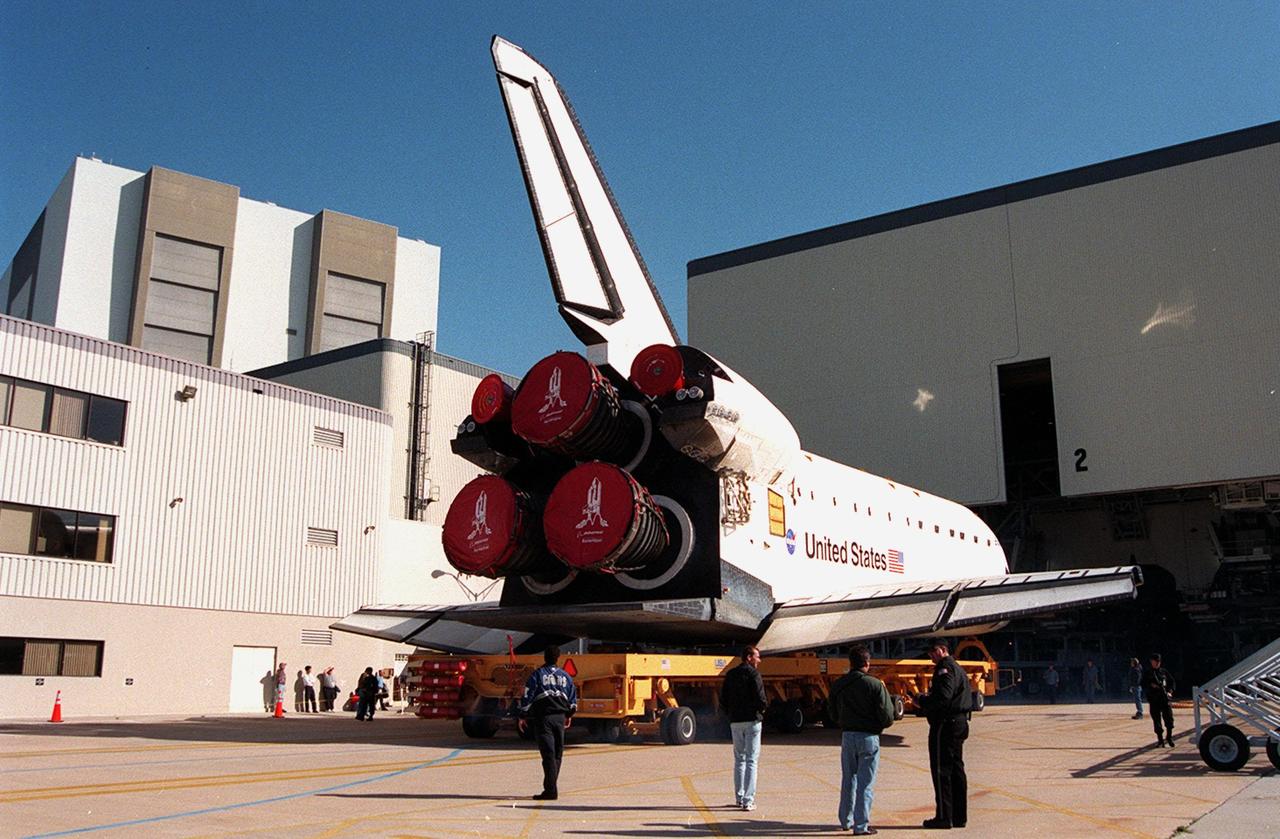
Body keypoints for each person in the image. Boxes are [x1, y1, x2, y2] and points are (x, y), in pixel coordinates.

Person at [828, 644, 895, 836]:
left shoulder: (839, 684)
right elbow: (887, 715)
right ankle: (861, 825)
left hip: (848, 735)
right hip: (868, 736)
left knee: (848, 778)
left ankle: (845, 820)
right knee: (866, 783)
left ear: (850, 663)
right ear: (867, 662)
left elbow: (831, 712)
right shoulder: (874, 684)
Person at [914, 640, 972, 830]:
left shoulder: (945, 668)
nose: (931, 655)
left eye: (933, 651)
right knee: (956, 770)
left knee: (942, 770)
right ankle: (958, 816)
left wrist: (923, 700)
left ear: (943, 650)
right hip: (959, 723)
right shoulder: (957, 668)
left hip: (946, 725)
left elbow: (944, 696)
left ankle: (944, 817)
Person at [518, 644, 577, 801]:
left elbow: (528, 695)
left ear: (544, 657)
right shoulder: (566, 677)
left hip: (544, 718)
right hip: (560, 718)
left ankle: (550, 790)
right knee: (557, 754)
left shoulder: (537, 675)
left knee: (548, 754)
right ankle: (551, 786)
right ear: (558, 658)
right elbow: (572, 700)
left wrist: (523, 714)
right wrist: (568, 715)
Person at [720, 644, 767, 812]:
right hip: (752, 721)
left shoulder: (730, 674)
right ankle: (748, 800)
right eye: (757, 657)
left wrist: (731, 714)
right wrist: (760, 712)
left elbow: (723, 698)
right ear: (749, 657)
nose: (759, 660)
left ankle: (739, 797)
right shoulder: (754, 674)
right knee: (752, 760)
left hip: (736, 721)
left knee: (739, 759)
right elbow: (761, 698)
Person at [1143, 653, 1176, 747]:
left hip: (1165, 699)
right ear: (1151, 662)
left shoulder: (1164, 672)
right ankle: (1160, 740)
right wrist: (1151, 686)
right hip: (1154, 700)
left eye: (1158, 661)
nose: (1157, 663)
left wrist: (1170, 691)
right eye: (1155, 661)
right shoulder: (1148, 673)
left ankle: (1169, 737)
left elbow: (1171, 682)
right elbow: (1143, 684)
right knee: (1156, 720)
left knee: (1169, 719)